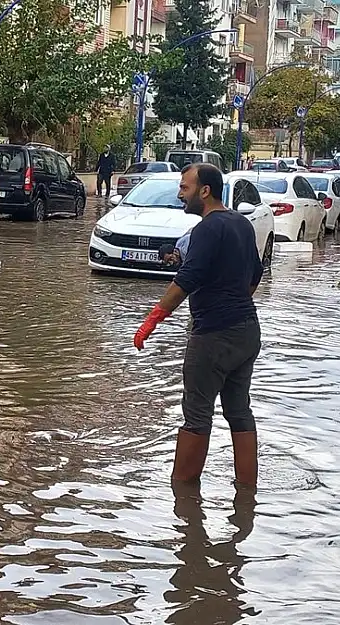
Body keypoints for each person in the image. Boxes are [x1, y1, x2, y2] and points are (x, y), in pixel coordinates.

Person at [133, 163, 263, 487]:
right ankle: (247, 492)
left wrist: (151, 321)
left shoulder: (206, 229)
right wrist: (234, 303)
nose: (180, 194)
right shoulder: (241, 224)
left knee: (197, 414)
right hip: (247, 331)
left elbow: (187, 280)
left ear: (204, 191)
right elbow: (256, 275)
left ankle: (181, 496)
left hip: (213, 336)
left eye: (185, 188)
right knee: (239, 411)